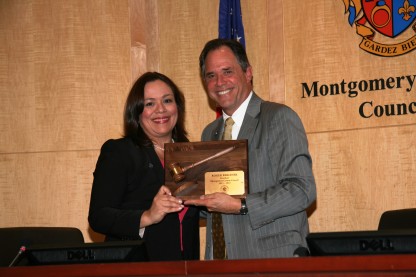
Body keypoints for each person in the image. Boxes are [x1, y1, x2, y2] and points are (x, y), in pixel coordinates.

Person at [185, 39, 316, 259]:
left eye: (228, 71)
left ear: (248, 73)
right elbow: (217, 207)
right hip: (220, 262)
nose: (220, 82)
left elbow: (302, 190)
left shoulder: (278, 117)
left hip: (273, 260)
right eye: (211, 75)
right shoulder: (210, 133)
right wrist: (185, 197)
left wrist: (241, 205)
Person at [88, 72, 200, 261]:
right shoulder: (120, 151)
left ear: (177, 107)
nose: (161, 110)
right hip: (137, 266)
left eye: (167, 100)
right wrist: (148, 216)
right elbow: (99, 217)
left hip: (185, 266)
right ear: (137, 112)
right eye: (150, 103)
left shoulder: (191, 156)